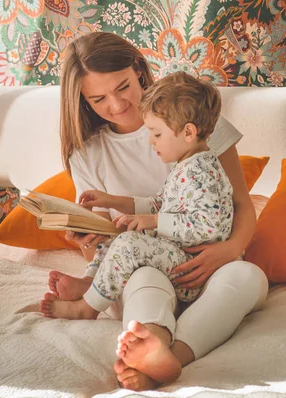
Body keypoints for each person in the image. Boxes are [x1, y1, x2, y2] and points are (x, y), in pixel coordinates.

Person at [38, 32, 268, 391]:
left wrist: (228, 250)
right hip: (142, 272)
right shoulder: (86, 152)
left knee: (248, 277)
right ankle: (155, 344)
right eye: (98, 99)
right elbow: (105, 250)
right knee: (143, 275)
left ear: (139, 70)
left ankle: (170, 357)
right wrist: (87, 235)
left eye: (123, 87)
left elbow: (239, 203)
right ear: (82, 101)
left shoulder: (195, 120)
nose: (116, 105)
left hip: (209, 264)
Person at [41, 71, 234, 321]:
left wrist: (153, 222)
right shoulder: (186, 166)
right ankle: (90, 282)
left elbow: (211, 226)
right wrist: (110, 200)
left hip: (194, 267)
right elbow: (158, 204)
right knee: (118, 235)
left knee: (128, 243)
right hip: (177, 253)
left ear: (188, 132)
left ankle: (87, 308)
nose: (151, 142)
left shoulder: (202, 172)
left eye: (156, 134)